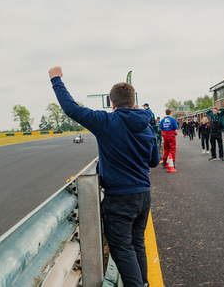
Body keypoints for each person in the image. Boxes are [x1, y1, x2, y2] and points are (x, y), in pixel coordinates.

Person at [49, 66, 159, 287]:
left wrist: (56, 79)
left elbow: (71, 108)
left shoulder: (106, 122)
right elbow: (154, 162)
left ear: (112, 104)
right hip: (143, 195)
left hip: (119, 199)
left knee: (123, 248)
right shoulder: (147, 127)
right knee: (137, 243)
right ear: (134, 103)